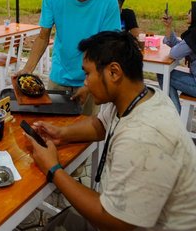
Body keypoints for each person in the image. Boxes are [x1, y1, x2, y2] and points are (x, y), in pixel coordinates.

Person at [24, 31, 196, 230]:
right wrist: (61, 134)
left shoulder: (145, 137)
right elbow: (100, 125)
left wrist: (53, 169)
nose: (86, 82)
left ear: (114, 72)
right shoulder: (141, 95)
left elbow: (115, 222)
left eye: (88, 74)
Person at [17, 0, 120, 114]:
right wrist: (27, 69)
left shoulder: (108, 1)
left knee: (85, 131)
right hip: (60, 75)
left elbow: (108, 46)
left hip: (92, 79)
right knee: (54, 126)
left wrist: (88, 84)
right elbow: (43, 37)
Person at [157, 1, 196, 113]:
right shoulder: (193, 35)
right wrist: (168, 27)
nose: (187, 14)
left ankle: (175, 116)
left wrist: (177, 47)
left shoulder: (194, 35)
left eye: (190, 12)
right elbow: (178, 45)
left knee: (163, 75)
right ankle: (175, 114)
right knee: (167, 75)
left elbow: (174, 53)